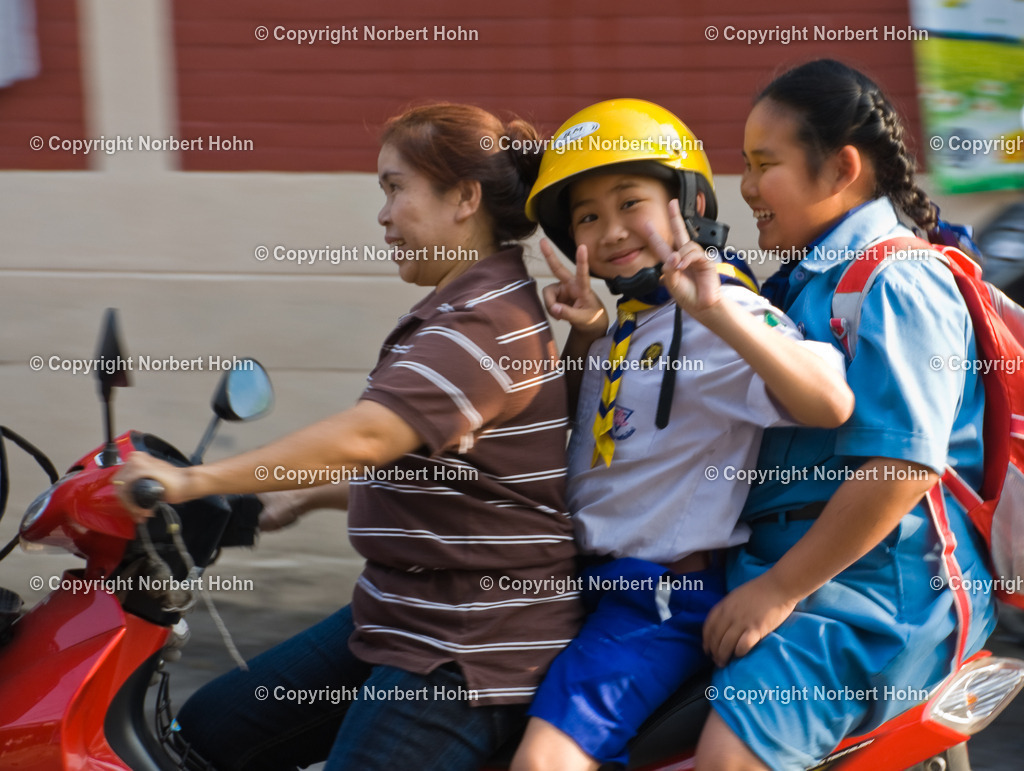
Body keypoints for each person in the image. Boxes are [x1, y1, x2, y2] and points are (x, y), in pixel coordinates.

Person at [114, 103, 583, 771]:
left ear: (464, 198)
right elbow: (437, 463)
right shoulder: (464, 307)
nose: (384, 215)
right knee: (209, 734)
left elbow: (366, 434)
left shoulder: (483, 328)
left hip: (467, 645)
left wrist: (194, 480)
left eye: (396, 189)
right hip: (402, 613)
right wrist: (309, 498)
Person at [507, 99, 854, 771]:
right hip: (590, 585)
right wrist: (584, 335)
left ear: (688, 199)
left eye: (629, 201)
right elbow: (590, 444)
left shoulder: (721, 309)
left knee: (544, 762)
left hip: (657, 600)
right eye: (587, 217)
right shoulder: (630, 325)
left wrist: (719, 312)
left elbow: (831, 401)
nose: (610, 230)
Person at [695, 59, 998, 770]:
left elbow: (903, 464)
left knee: (726, 759)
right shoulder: (803, 285)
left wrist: (778, 589)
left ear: (841, 170)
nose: (745, 187)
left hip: (874, 600)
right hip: (791, 580)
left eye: (763, 163)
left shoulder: (899, 275)